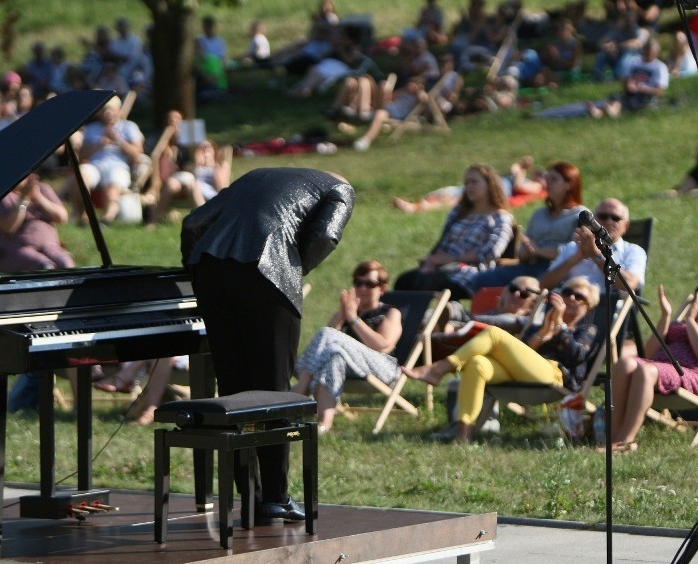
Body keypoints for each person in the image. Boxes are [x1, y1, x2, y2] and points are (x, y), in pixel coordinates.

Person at [181, 167, 355, 524]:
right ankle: (275, 498)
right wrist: (293, 269)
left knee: (233, 389)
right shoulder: (340, 188)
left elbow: (192, 222)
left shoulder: (256, 174)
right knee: (274, 390)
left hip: (210, 271)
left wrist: (193, 271)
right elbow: (325, 234)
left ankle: (249, 496)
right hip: (268, 274)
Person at [404, 276, 599, 442]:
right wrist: (544, 331)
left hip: (556, 377)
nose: (570, 298)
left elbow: (577, 356)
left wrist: (560, 328)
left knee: (494, 334)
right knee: (477, 363)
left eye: (579, 297)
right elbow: (525, 350)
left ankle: (440, 368)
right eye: (566, 292)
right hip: (523, 373)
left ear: (588, 308)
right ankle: (463, 432)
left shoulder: (587, 330)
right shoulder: (539, 324)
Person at [609, 275, 698, 452]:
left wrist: (690, 321)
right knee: (624, 363)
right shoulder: (679, 325)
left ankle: (626, 442)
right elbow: (649, 354)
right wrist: (666, 317)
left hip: (694, 376)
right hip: (660, 368)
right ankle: (613, 438)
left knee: (646, 371)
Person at [0, 173, 75, 412]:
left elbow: (62, 216)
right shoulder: (3, 196)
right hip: (17, 251)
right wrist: (24, 199)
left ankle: (69, 308)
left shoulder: (43, 189)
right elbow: (9, 226)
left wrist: (39, 197)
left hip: (50, 246)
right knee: (45, 268)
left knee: (67, 266)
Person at [292, 260, 403, 434]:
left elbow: (384, 346)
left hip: (383, 369)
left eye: (370, 284)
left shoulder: (390, 312)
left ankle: (300, 390)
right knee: (333, 354)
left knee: (328, 335)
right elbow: (323, 346)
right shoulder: (349, 311)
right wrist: (342, 314)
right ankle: (324, 424)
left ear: (382, 289)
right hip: (351, 366)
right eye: (358, 283)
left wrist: (354, 319)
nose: (363, 289)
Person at [452, 161, 586, 296]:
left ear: (569, 185)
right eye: (547, 179)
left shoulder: (579, 215)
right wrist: (526, 252)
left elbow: (575, 249)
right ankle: (489, 313)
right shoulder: (539, 214)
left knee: (530, 287)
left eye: (554, 179)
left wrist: (539, 251)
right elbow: (523, 250)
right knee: (484, 279)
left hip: (558, 269)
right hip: (530, 265)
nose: (547, 183)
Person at [394, 164, 515, 299]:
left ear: (489, 184)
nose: (469, 187)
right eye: (467, 183)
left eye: (474, 182)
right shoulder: (459, 212)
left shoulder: (500, 217)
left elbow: (492, 252)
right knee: (404, 281)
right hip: (442, 267)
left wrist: (453, 259)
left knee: (435, 283)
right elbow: (443, 241)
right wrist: (431, 260)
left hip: (472, 271)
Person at [538, 197, 646, 294]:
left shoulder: (634, 251)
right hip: (570, 307)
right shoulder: (573, 247)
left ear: (626, 226)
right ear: (593, 220)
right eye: (603, 216)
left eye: (615, 218)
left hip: (607, 311)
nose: (608, 221)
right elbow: (543, 285)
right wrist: (576, 258)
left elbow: (629, 285)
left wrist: (596, 255)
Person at [73, 95, 144, 224]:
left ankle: (107, 218)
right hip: (94, 165)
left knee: (112, 185)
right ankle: (84, 216)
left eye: (111, 109)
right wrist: (98, 145)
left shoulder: (129, 127)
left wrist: (117, 140)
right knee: (82, 175)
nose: (107, 113)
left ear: (118, 110)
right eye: (104, 110)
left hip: (118, 165)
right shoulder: (91, 128)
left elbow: (137, 153)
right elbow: (81, 155)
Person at [393, 156, 545, 213]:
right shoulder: (517, 176)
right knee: (448, 193)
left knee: (459, 199)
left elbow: (519, 187)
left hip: (495, 189)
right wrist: (518, 168)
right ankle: (417, 204)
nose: (538, 174)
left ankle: (415, 208)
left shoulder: (537, 187)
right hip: (487, 182)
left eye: (542, 175)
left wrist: (520, 172)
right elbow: (497, 175)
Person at [589, 38, 668, 119]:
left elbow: (659, 92)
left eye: (650, 52)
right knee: (617, 97)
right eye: (646, 51)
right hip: (631, 92)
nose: (647, 54)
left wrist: (643, 88)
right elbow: (625, 78)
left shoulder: (660, 67)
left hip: (645, 96)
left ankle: (606, 111)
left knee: (630, 101)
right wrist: (628, 84)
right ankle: (605, 112)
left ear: (656, 53)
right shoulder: (635, 61)